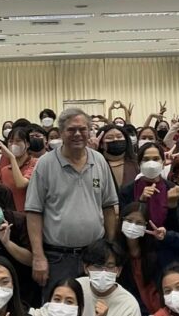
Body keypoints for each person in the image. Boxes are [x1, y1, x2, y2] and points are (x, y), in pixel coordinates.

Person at [27, 108, 120, 299]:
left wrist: (109, 248)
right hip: (58, 258)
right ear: (61, 132)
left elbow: (109, 207)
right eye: (71, 129)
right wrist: (38, 256)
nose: (77, 134)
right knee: (60, 310)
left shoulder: (99, 161)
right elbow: (34, 212)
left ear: (89, 131)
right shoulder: (45, 164)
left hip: (95, 257)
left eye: (83, 129)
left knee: (96, 308)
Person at [119, 143, 170, 226]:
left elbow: (176, 224)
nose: (151, 164)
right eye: (146, 159)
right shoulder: (127, 191)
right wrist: (141, 201)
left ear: (163, 163)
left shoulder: (171, 188)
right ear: (139, 164)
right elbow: (124, 221)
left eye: (156, 159)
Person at [0, 125, 37, 212]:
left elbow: (21, 183)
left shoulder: (35, 163)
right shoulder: (4, 170)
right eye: (10, 141)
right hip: (10, 216)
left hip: (29, 214)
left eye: (18, 141)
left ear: (27, 144)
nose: (13, 144)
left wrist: (12, 158)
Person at [97, 124, 137, 190]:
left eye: (119, 136)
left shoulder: (137, 163)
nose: (115, 139)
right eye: (109, 138)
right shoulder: (96, 165)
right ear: (101, 144)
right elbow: (94, 187)